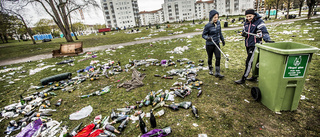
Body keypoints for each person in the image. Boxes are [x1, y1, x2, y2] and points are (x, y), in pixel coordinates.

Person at [235, 9, 274, 84]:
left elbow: (264, 32)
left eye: (250, 16)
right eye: (247, 16)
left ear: (254, 15)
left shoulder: (259, 22)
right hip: (248, 44)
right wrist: (243, 34)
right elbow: (244, 31)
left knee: (248, 61)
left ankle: (243, 78)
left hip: (255, 45)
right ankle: (254, 77)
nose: (248, 18)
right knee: (253, 61)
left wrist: (267, 39)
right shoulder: (246, 22)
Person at [202, 9, 225, 78]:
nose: (216, 18)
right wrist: (207, 38)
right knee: (210, 57)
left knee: (218, 57)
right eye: (215, 17)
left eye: (217, 17)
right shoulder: (208, 25)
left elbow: (219, 32)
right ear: (211, 17)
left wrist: (222, 39)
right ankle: (210, 69)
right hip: (209, 44)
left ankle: (217, 72)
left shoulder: (218, 23)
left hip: (216, 43)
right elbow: (203, 35)